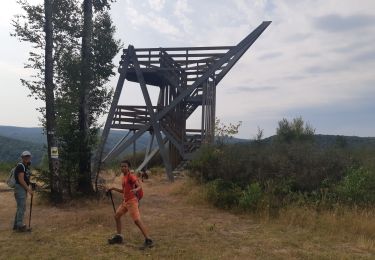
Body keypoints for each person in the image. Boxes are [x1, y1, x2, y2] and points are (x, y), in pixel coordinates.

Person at [107, 160, 153, 248]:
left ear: (129, 168)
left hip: (132, 201)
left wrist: (136, 189)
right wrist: (113, 188)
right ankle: (119, 237)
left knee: (136, 220)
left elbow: (139, 185)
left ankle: (148, 240)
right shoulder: (123, 177)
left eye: (125, 166)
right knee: (117, 216)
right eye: (122, 166)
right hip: (125, 202)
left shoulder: (131, 176)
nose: (123, 168)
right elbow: (124, 191)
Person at [13, 151, 33, 232]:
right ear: (22, 157)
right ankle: (19, 226)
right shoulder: (21, 166)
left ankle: (16, 225)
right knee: (21, 207)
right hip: (20, 188)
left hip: (22, 188)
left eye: (28, 156)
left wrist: (31, 184)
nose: (27, 158)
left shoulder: (25, 166)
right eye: (25, 156)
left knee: (20, 207)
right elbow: (21, 180)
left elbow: (25, 179)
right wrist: (29, 190)